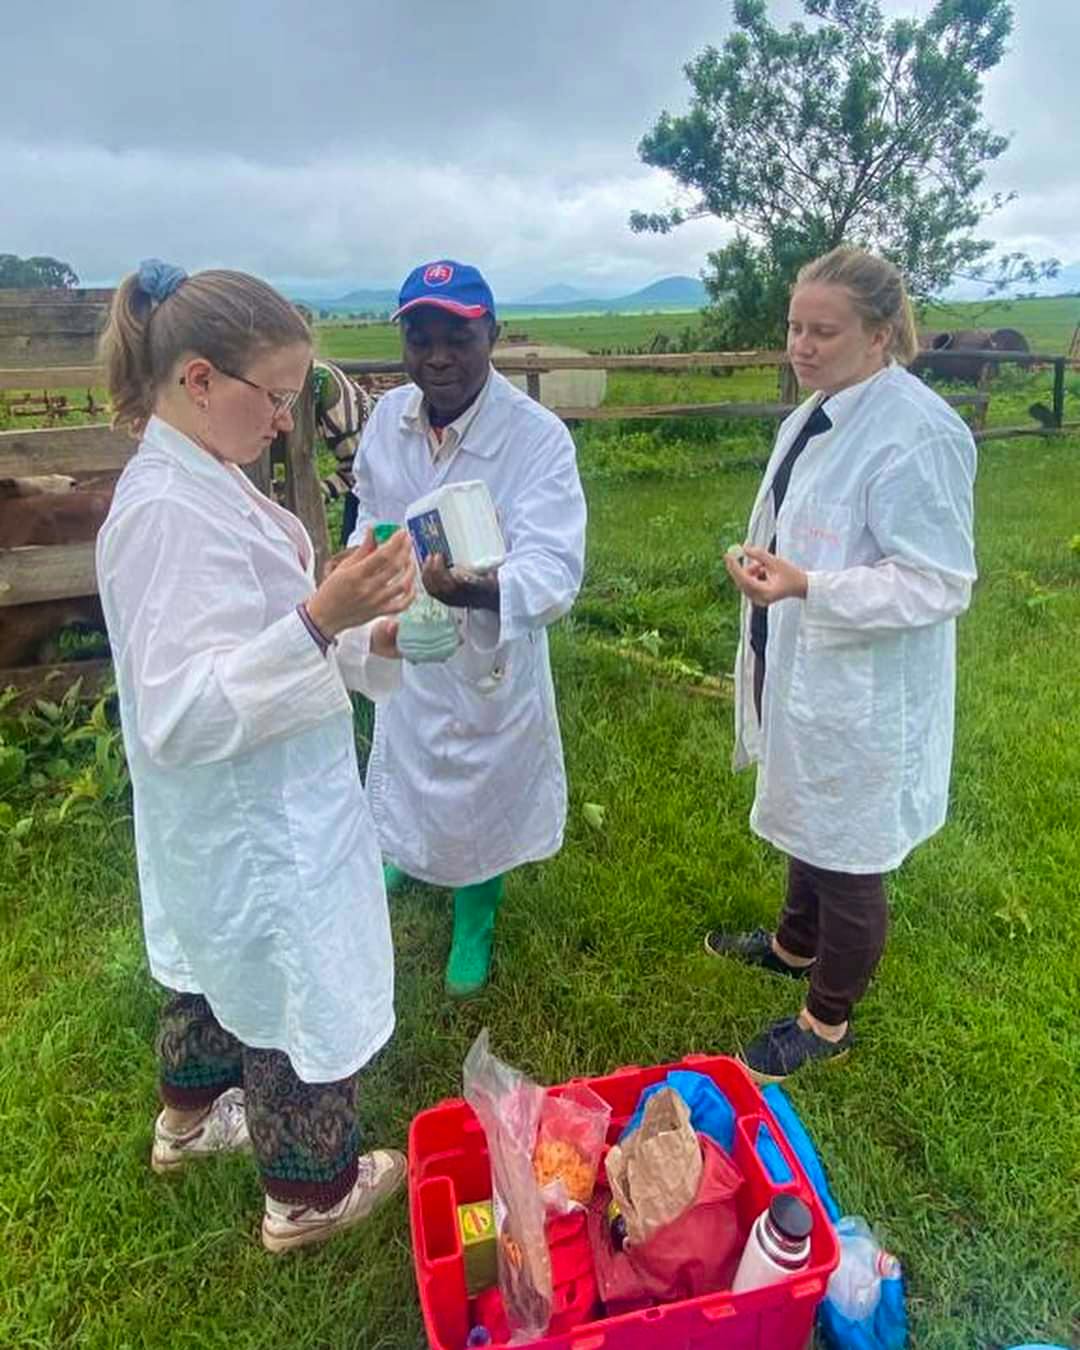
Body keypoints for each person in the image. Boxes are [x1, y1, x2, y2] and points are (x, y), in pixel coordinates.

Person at [95, 260, 417, 1252]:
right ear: (199, 379)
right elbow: (181, 711)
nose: (284, 421)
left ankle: (189, 1124)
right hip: (255, 811)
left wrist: (360, 630)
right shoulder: (165, 514)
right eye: (276, 396)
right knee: (292, 981)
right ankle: (309, 1199)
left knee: (213, 952)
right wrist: (323, 618)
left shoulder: (200, 479)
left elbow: (261, 633)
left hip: (229, 811)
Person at [706, 247, 977, 1082]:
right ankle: (794, 945)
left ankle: (826, 1020)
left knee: (850, 849)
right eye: (795, 327)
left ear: (881, 334)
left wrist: (809, 585)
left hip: (866, 686)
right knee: (809, 807)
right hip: (804, 654)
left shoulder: (919, 432)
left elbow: (939, 582)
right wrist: (771, 567)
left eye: (823, 331)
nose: (801, 345)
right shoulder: (818, 411)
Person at [344, 259, 587, 997]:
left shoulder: (535, 438)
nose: (438, 357)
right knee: (409, 755)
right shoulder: (390, 419)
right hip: (409, 631)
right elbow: (369, 505)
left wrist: (478, 591)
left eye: (458, 338)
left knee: (481, 786)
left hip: (488, 652)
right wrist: (365, 558)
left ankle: (475, 912)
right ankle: (408, 855)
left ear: (493, 336)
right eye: (420, 339)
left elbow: (554, 566)